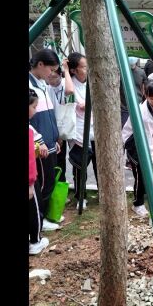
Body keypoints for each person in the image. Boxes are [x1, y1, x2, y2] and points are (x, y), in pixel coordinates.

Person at [29, 49, 62, 231]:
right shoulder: (30, 86)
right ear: (40, 64)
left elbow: (49, 115)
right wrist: (39, 141)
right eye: (51, 69)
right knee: (42, 184)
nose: (52, 73)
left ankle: (43, 217)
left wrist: (54, 138)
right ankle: (38, 220)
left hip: (49, 142)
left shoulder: (43, 85)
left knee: (49, 181)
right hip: (38, 146)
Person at [122, 80, 153, 217]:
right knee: (141, 175)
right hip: (134, 143)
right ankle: (137, 204)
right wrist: (152, 160)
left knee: (148, 174)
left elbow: (151, 134)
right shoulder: (144, 114)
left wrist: (152, 161)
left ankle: (147, 197)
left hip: (145, 141)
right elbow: (145, 139)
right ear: (146, 97)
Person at [67, 52, 98, 210]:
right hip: (79, 132)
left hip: (96, 131)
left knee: (100, 167)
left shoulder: (91, 82)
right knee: (80, 168)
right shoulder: (69, 84)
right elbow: (75, 104)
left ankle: (103, 193)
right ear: (73, 70)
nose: (87, 69)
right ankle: (80, 196)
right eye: (84, 67)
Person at [46, 58, 74, 183]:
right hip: (55, 128)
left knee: (75, 158)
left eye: (53, 78)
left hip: (69, 126)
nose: (50, 81)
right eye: (49, 78)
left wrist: (66, 70)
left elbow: (69, 93)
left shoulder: (66, 83)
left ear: (60, 75)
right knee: (58, 160)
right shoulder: (47, 88)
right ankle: (60, 185)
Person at [29, 89, 50, 255]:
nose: (36, 111)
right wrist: (30, 183)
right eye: (34, 107)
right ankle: (36, 241)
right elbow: (29, 159)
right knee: (35, 208)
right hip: (29, 181)